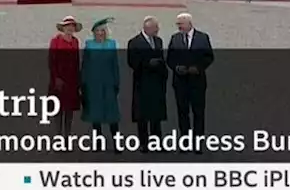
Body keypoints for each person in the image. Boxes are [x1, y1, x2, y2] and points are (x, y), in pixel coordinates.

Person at [166, 12, 213, 137]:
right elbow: (170, 58)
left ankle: (198, 140)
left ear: (189, 23)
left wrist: (198, 68)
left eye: (180, 24)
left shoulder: (203, 38)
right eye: (177, 24)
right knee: (182, 113)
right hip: (180, 82)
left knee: (198, 113)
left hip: (197, 82)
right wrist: (176, 67)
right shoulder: (175, 38)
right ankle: (185, 140)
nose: (178, 26)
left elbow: (209, 57)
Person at [127, 15, 167, 150]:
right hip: (142, 82)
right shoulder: (134, 42)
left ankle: (156, 141)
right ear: (147, 28)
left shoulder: (159, 41)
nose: (157, 31)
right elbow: (132, 62)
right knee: (142, 114)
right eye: (155, 28)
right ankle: (143, 142)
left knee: (156, 114)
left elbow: (161, 58)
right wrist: (148, 63)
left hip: (156, 82)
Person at [81, 17, 121, 143]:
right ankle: (98, 141)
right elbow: (85, 66)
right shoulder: (89, 45)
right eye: (98, 31)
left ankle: (116, 141)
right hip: (93, 84)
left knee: (112, 114)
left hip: (108, 83)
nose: (100, 33)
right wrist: (83, 84)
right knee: (95, 114)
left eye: (102, 31)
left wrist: (116, 82)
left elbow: (115, 64)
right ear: (94, 32)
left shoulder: (111, 44)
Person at [47, 15, 82, 136]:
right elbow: (51, 61)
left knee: (69, 111)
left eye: (72, 26)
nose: (70, 28)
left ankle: (67, 136)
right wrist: (56, 78)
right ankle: (58, 136)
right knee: (58, 110)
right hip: (58, 80)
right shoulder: (55, 41)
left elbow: (77, 62)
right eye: (67, 26)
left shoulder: (75, 42)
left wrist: (78, 80)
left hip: (72, 80)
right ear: (63, 28)